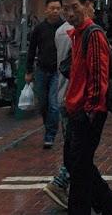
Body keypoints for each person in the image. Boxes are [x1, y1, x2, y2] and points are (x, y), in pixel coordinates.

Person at [53, 0, 112, 215]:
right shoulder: (78, 34)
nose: (70, 13)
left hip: (88, 110)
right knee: (76, 162)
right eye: (66, 10)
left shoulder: (93, 34)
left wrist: (91, 110)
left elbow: (98, 75)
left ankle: (81, 210)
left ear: (86, 5)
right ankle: (109, 203)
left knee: (80, 169)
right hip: (75, 107)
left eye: (74, 7)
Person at [43, 14, 75, 209]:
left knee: (74, 145)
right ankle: (60, 182)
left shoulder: (59, 32)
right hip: (75, 97)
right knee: (78, 148)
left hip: (64, 93)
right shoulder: (76, 33)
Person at [26, 0, 64, 148]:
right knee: (43, 103)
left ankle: (50, 135)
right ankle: (48, 126)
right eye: (52, 8)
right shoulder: (39, 29)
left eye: (57, 8)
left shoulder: (64, 28)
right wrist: (28, 71)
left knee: (54, 104)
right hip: (41, 70)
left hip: (58, 72)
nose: (55, 11)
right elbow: (31, 49)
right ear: (46, 10)